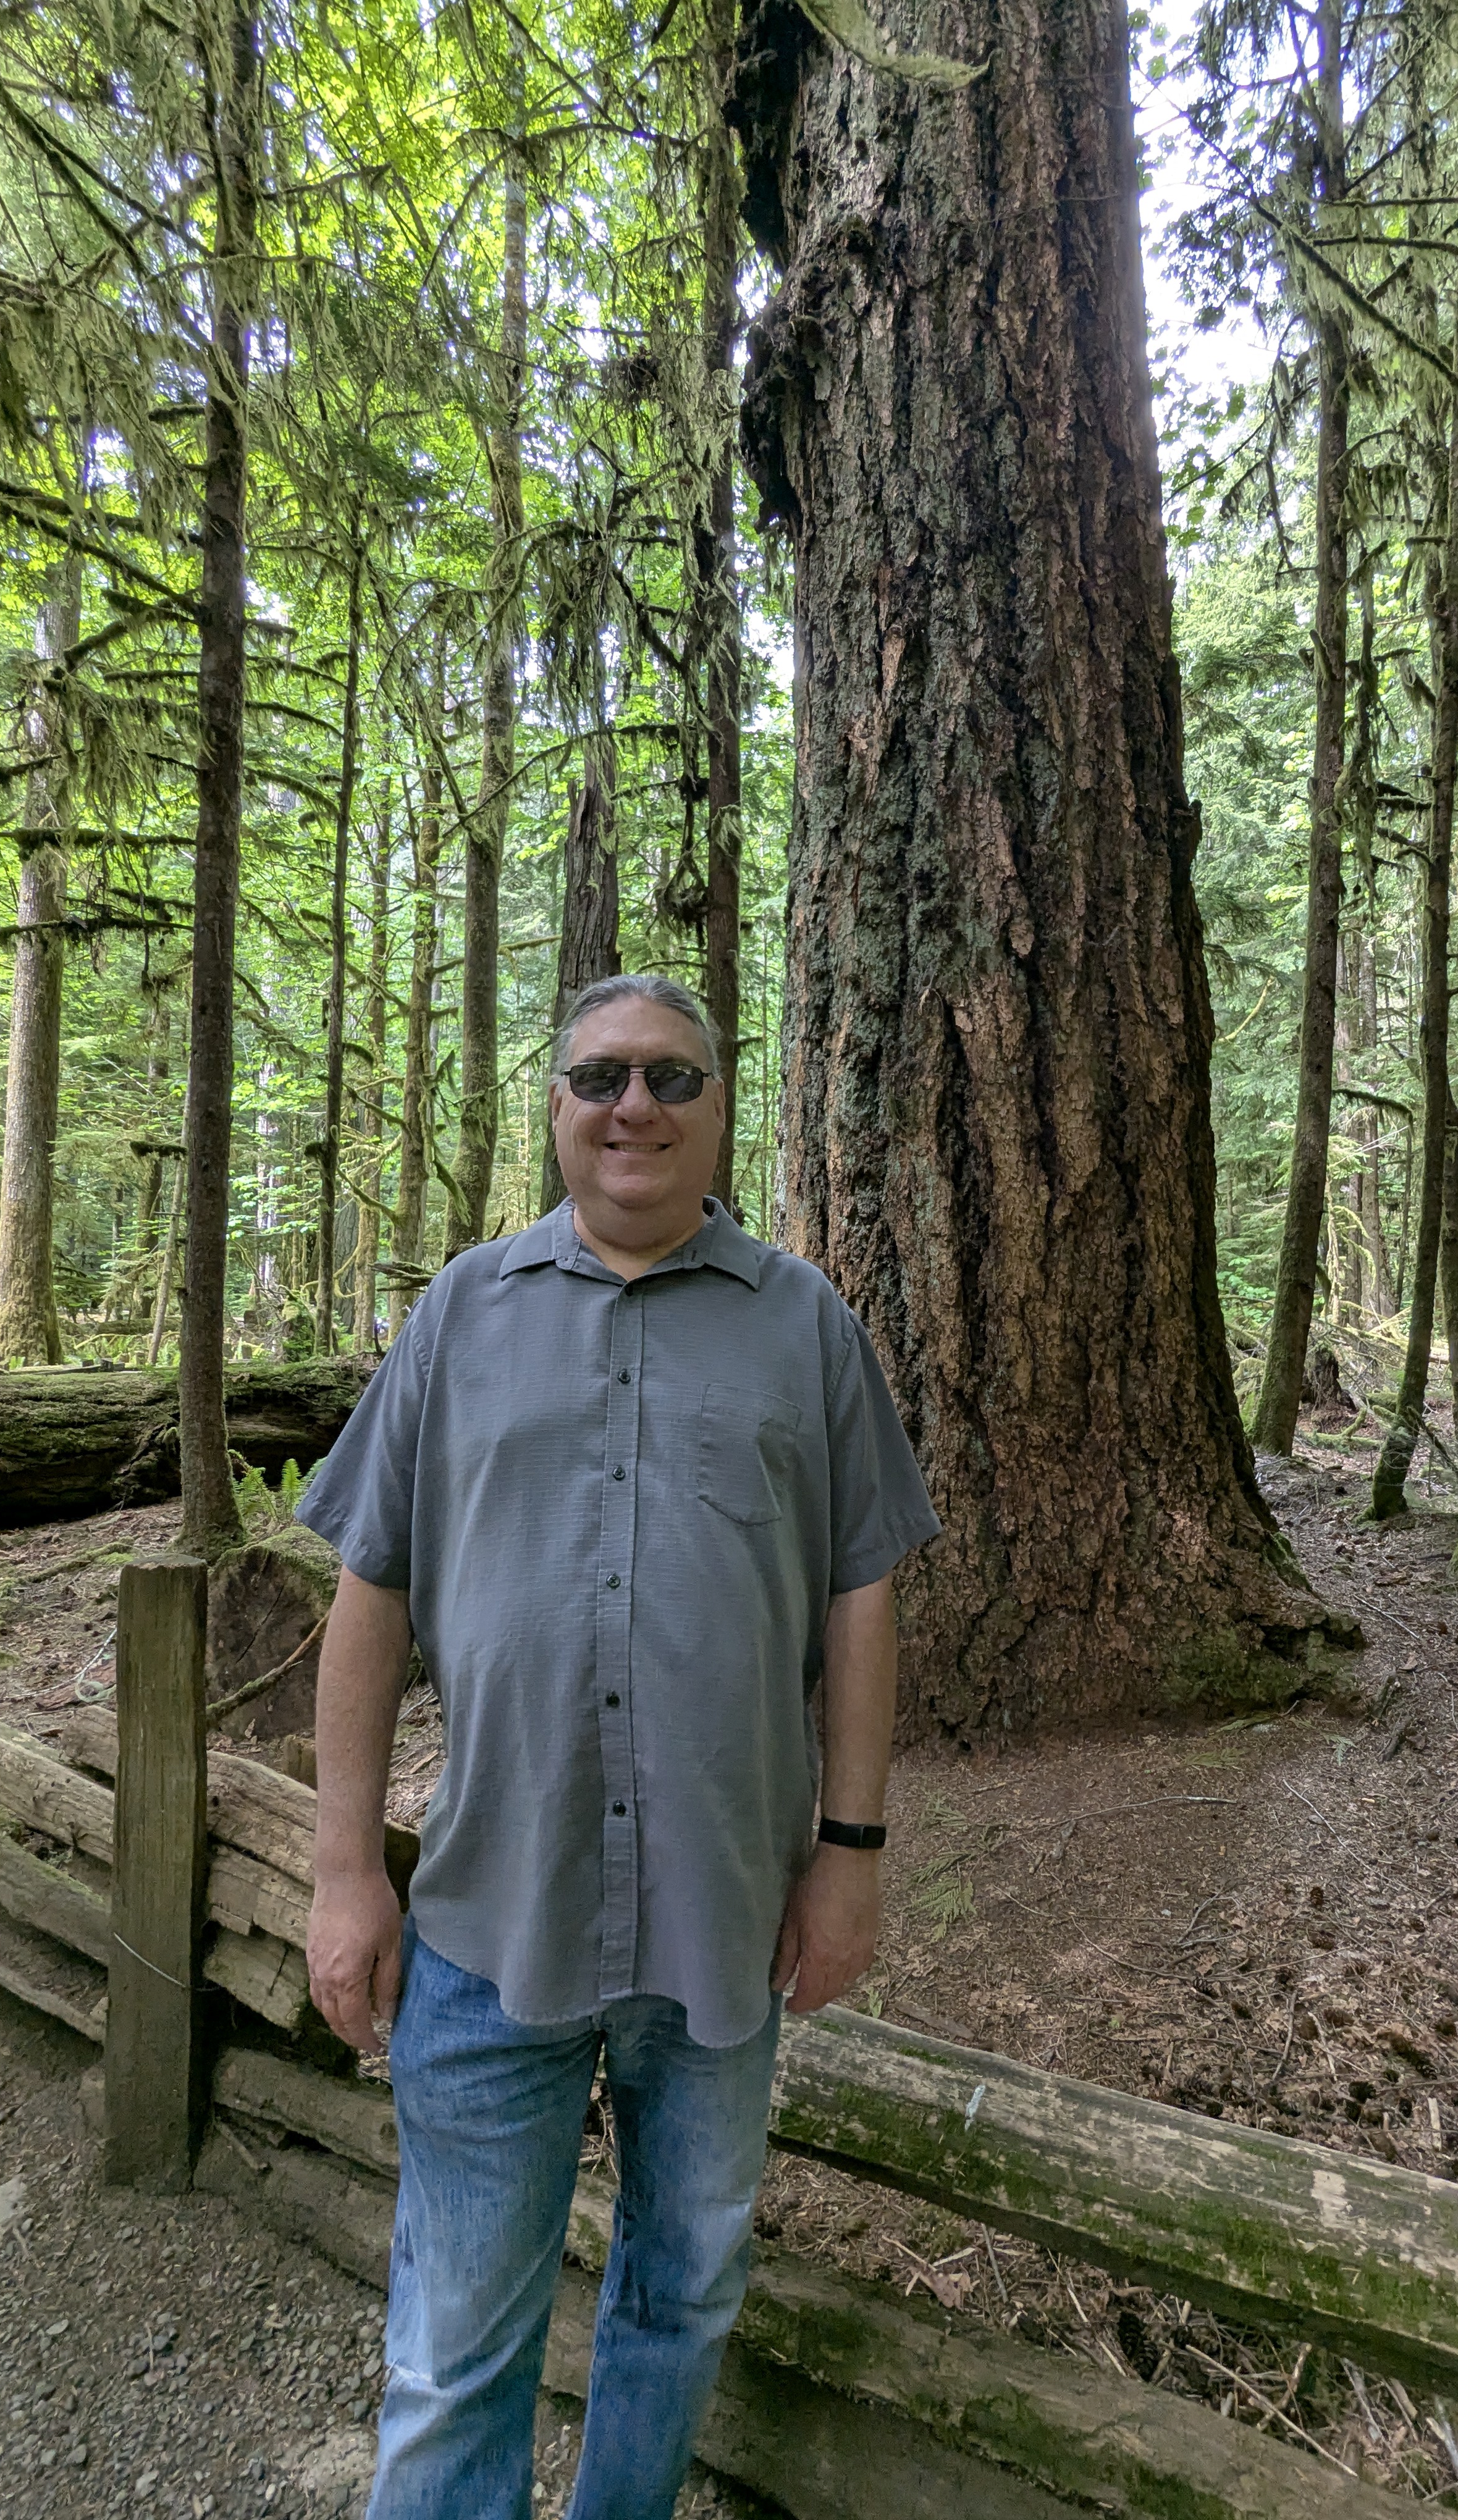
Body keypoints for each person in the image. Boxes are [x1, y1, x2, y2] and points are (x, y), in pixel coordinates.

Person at [297, 972, 940, 2520]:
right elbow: (368, 1593)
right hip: (483, 1919)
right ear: (558, 1108)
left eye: (668, 1076)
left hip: (724, 1925)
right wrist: (341, 1872)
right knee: (454, 2342)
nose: (631, 1106)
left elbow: (864, 1597)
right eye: (598, 1078)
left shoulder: (806, 1325)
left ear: (721, 1105)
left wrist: (848, 1858)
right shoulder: (462, 1313)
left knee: (684, 2295)